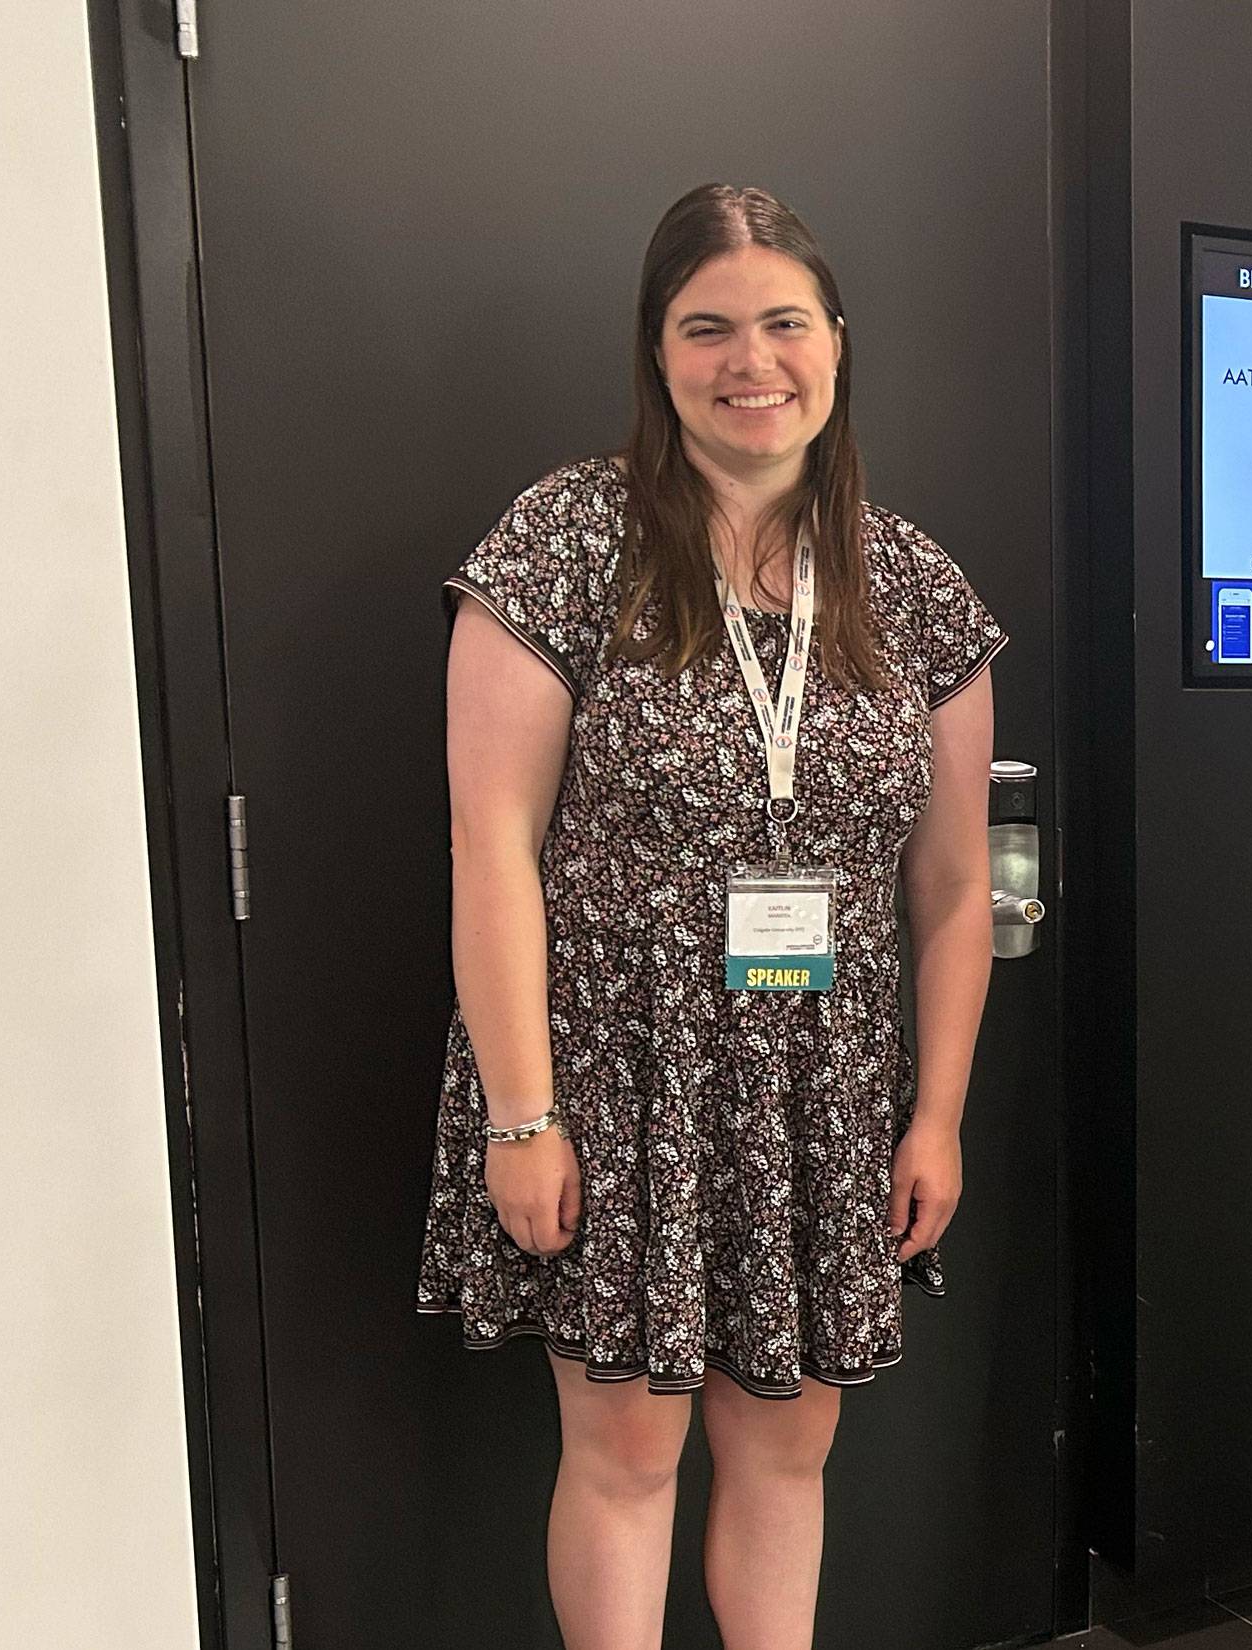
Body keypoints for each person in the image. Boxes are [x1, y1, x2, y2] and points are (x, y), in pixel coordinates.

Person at [416, 183, 1004, 1650]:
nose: (754, 359)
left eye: (784, 322)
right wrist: (518, 1114)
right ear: (659, 350)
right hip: (617, 1073)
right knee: (626, 1456)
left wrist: (936, 1117)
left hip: (828, 1087)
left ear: (837, 343)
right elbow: (489, 843)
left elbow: (946, 888)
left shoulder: (914, 583)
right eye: (710, 326)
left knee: (788, 1451)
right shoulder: (567, 538)